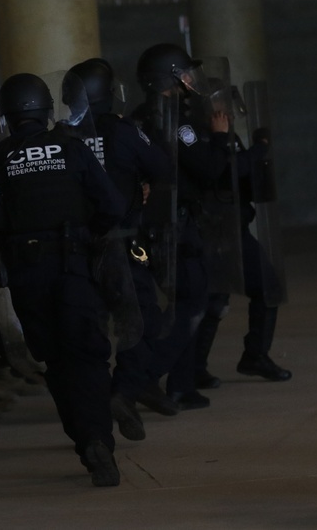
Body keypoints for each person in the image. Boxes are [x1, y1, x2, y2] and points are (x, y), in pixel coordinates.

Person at [0, 73, 124, 487]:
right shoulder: (73, 148)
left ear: (6, 116)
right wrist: (85, 232)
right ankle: (99, 440)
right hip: (73, 265)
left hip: (27, 273)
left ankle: (83, 441)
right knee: (89, 358)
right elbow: (111, 206)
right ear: (46, 110)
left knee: (57, 362)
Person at [61, 57, 174, 442]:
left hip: (75, 251)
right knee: (141, 322)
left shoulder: (61, 138)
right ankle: (124, 391)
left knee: (87, 334)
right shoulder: (122, 130)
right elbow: (162, 167)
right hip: (123, 246)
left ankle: (94, 419)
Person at [133, 43, 230, 412]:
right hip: (180, 225)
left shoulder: (140, 116)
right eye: (185, 74)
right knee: (191, 304)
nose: (191, 81)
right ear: (169, 78)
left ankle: (182, 383)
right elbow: (206, 169)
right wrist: (220, 137)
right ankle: (145, 379)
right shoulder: (178, 121)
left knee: (184, 301)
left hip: (155, 224)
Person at [196, 126, 292, 386]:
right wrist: (257, 148)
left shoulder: (224, 133)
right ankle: (193, 368)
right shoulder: (197, 133)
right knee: (214, 300)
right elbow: (221, 170)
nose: (224, 111)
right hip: (212, 229)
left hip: (233, 227)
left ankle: (256, 355)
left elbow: (241, 173)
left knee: (267, 287)